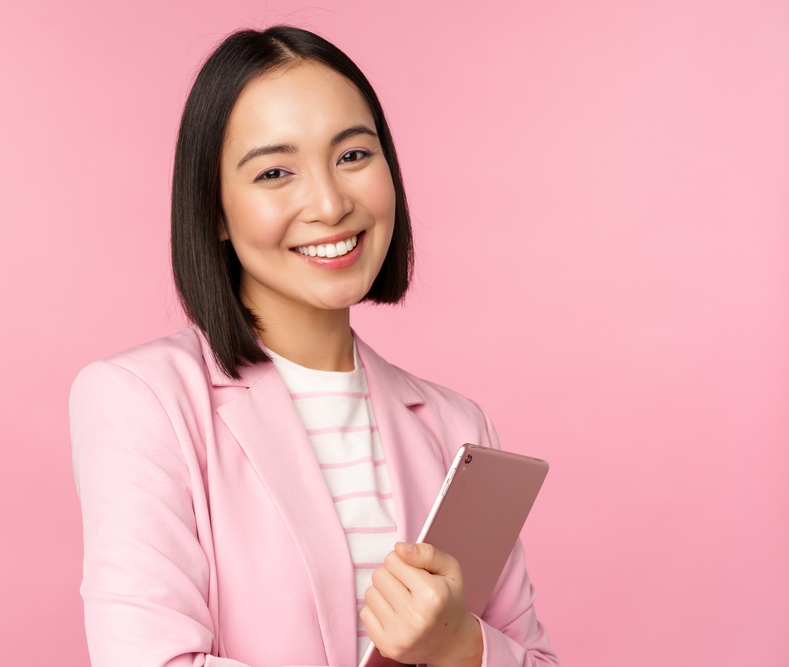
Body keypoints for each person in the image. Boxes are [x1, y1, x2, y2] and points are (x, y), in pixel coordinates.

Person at [69, 25, 559, 667]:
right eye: (275, 171)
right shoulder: (141, 402)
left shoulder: (456, 426)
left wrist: (460, 647)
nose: (329, 203)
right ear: (215, 209)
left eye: (353, 155)